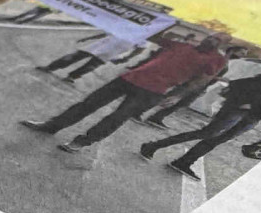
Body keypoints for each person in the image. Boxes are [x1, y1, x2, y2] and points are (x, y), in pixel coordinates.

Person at [20, 34, 228, 152]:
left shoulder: (216, 60)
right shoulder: (182, 44)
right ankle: (51, 126)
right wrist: (168, 25)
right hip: (129, 78)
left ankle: (81, 142)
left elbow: (201, 80)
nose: (212, 39)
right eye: (211, 36)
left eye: (218, 39)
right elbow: (153, 35)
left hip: (153, 91)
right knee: (87, 104)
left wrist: (178, 96)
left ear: (222, 45)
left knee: (117, 117)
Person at [138, 65, 261, 178]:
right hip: (239, 110)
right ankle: (153, 146)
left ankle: (184, 162)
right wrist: (243, 102)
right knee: (206, 133)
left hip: (253, 118)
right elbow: (243, 84)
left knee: (216, 140)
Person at [38, 26, 150, 81]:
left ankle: (72, 77)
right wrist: (88, 38)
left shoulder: (145, 36)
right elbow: (105, 33)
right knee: (73, 57)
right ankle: (50, 67)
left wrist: (126, 58)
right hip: (100, 45)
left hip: (113, 51)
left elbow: (140, 49)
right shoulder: (126, 26)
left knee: (91, 66)